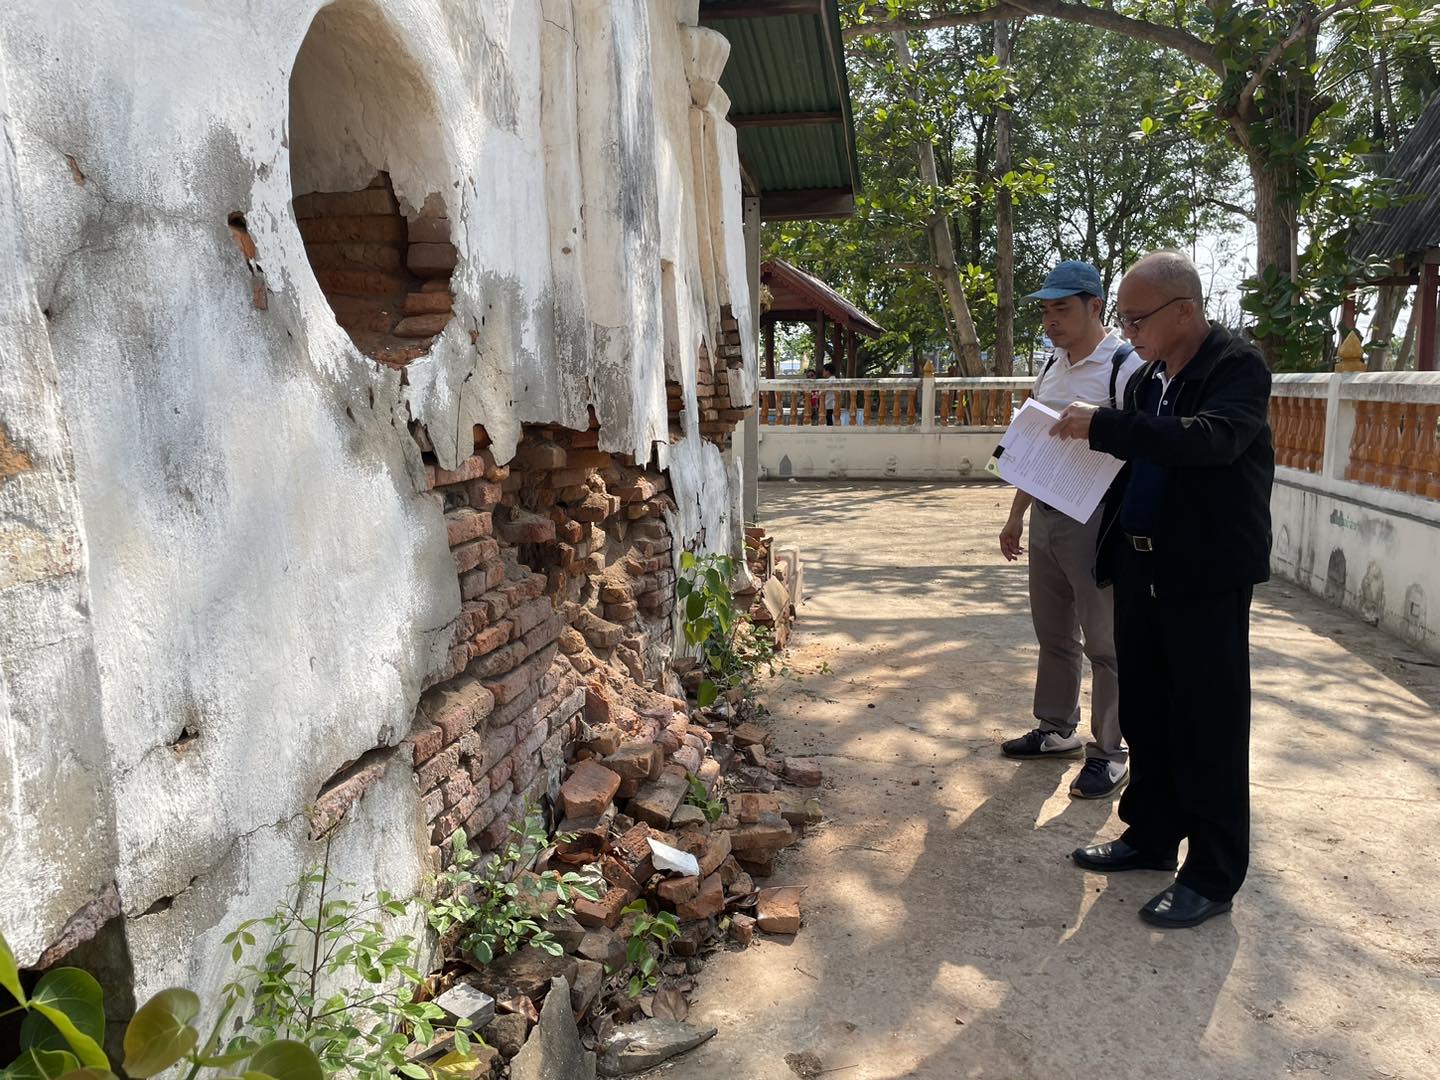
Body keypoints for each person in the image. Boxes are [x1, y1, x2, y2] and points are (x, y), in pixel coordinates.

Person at [1050, 250, 1274, 929]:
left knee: (1207, 723)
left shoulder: (1235, 367)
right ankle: (1150, 835)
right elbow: (1136, 457)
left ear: (1185, 311)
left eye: (1137, 319)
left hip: (1205, 573)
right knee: (1147, 711)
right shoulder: (1151, 379)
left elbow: (1212, 441)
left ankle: (1211, 873)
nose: (1129, 331)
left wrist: (1106, 425)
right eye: (1124, 319)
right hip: (1141, 565)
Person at [999, 260, 1145, 799]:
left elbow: (1142, 443)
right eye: (1045, 310)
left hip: (1097, 520)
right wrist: (1016, 514)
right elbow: (1034, 445)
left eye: (1061, 308)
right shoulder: (1051, 367)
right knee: (1054, 632)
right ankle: (1057, 728)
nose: (1051, 320)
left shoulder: (1124, 367)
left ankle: (1110, 751)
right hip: (1046, 513)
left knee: (1105, 641)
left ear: (1094, 306)